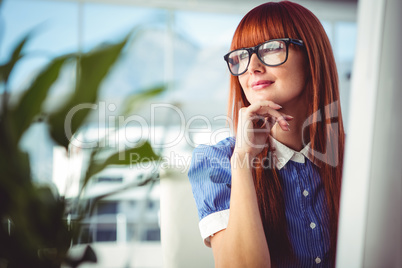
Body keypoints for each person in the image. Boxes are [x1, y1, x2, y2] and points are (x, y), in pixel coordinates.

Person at [188, 1, 345, 267]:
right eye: (241, 56)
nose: (252, 67)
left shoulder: (359, 156)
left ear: (312, 57)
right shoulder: (215, 161)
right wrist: (243, 160)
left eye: (271, 49)